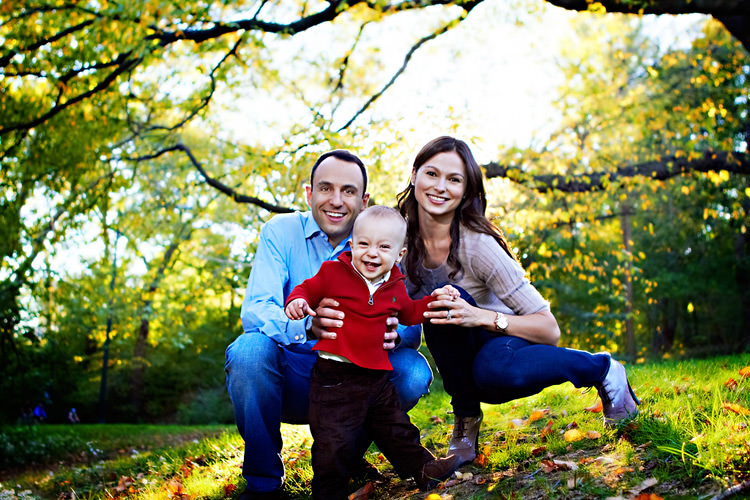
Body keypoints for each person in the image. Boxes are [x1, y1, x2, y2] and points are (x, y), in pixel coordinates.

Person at [396, 136, 640, 465]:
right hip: (461, 349)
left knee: (491, 367)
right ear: (414, 176)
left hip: (507, 341)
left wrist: (480, 317)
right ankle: (466, 421)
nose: (440, 186)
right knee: (442, 303)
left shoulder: (478, 246)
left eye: (454, 179)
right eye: (432, 174)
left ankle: (603, 368)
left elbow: (548, 329)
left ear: (466, 191)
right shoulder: (399, 242)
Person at [225, 150, 434, 499]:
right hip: (293, 372)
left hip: (358, 377)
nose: (336, 201)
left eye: (349, 191)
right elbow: (257, 309)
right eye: (326, 188)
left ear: (363, 200)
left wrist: (392, 328)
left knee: (412, 371)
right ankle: (264, 485)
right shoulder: (281, 231)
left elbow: (409, 322)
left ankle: (346, 456)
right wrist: (306, 327)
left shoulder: (383, 240)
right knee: (248, 351)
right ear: (309, 194)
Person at [284, 206, 461, 499]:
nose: (371, 253)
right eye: (364, 244)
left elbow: (410, 312)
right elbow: (306, 288)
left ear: (399, 255)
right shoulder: (333, 272)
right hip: (334, 377)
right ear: (352, 245)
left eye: (383, 247)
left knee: (396, 426)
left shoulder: (394, 285)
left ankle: (424, 469)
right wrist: (298, 302)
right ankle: (329, 493)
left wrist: (435, 300)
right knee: (333, 441)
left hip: (376, 376)